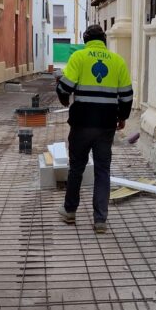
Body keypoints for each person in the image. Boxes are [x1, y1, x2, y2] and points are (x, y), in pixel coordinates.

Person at [55, 24, 133, 233]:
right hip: (106, 125)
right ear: (104, 40)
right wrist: (122, 117)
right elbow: (126, 94)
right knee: (102, 171)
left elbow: (65, 87)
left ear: (85, 39)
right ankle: (100, 220)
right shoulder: (117, 61)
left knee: (77, 169)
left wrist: (61, 93)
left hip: (81, 124)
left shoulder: (79, 57)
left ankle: (70, 211)